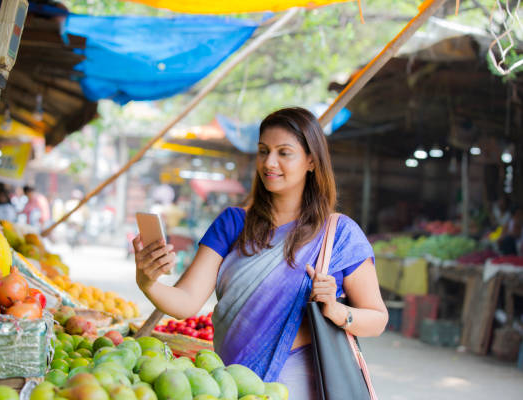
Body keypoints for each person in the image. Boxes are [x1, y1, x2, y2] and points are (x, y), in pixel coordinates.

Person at [133, 107, 387, 398]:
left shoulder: (340, 235)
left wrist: (336, 310)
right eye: (263, 151)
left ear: (312, 161)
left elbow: (377, 318)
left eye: (284, 152)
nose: (269, 162)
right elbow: (187, 302)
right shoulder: (232, 223)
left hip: (297, 388)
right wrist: (147, 281)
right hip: (230, 385)